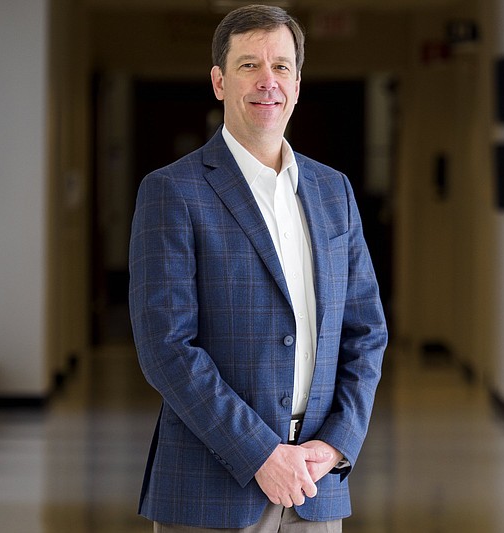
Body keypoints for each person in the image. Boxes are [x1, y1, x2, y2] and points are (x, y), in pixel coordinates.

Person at [128, 5, 387, 532]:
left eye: (282, 66)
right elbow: (166, 348)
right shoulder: (172, 191)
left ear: (297, 82)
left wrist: (338, 441)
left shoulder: (333, 191)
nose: (268, 81)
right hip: (211, 488)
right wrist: (261, 454)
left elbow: (366, 331)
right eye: (249, 66)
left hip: (317, 484)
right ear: (219, 82)